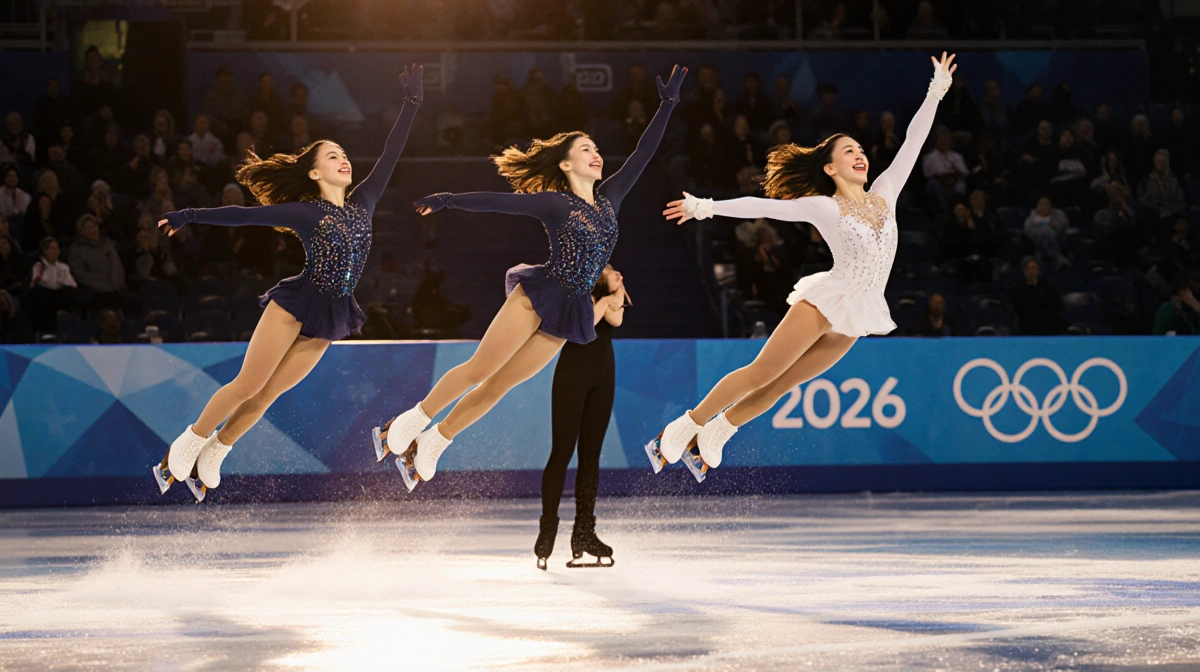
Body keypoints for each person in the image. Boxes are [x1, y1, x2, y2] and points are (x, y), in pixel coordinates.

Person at [374, 65, 687, 494]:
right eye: (585, 149)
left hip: (570, 311)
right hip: (538, 297)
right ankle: (412, 419)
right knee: (480, 370)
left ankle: (434, 442)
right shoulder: (555, 204)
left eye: (596, 147)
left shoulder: (610, 197)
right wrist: (448, 200)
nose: (596, 153)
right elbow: (498, 202)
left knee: (500, 386)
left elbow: (643, 153)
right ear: (565, 163)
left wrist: (667, 106)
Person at [648, 54, 955, 481]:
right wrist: (705, 206)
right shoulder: (825, 207)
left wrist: (935, 91)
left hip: (859, 311)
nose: (860, 154)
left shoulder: (886, 192)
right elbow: (764, 206)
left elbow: (913, 141)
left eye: (861, 149)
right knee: (763, 371)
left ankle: (718, 432)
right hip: (825, 301)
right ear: (830, 167)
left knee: (780, 386)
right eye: (849, 151)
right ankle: (686, 425)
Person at [153, 65, 423, 501]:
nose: (343, 158)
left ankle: (215, 455)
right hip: (296, 304)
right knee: (248, 384)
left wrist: (412, 103)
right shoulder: (305, 212)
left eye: (343, 153)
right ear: (314, 173)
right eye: (331, 156)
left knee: (268, 395)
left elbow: (391, 152)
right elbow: (245, 216)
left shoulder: (364, 203)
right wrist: (190, 215)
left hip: (332, 315)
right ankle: (185, 447)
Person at [536, 265, 627, 570]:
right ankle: (548, 529)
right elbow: (588, 323)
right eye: (611, 270)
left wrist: (613, 293)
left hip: (604, 375)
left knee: (591, 457)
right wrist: (607, 299)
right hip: (572, 375)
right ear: (596, 275)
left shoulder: (608, 296)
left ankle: (584, 532)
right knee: (562, 453)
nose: (618, 274)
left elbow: (617, 317)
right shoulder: (579, 294)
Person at [27, 237, 77, 334]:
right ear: (45, 251)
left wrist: (61, 281)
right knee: (39, 294)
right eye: (52, 249)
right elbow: (37, 282)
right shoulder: (39, 266)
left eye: (57, 248)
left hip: (60, 295)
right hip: (45, 296)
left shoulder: (63, 267)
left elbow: (72, 284)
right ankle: (48, 331)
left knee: (70, 293)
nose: (56, 252)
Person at [1010, 257, 1064, 335]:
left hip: (1046, 320)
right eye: (1028, 268)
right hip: (1026, 321)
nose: (1031, 271)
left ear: (1038, 270)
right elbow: (1017, 307)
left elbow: (1058, 305)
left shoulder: (1048, 286)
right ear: (1024, 271)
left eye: (1033, 268)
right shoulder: (1017, 288)